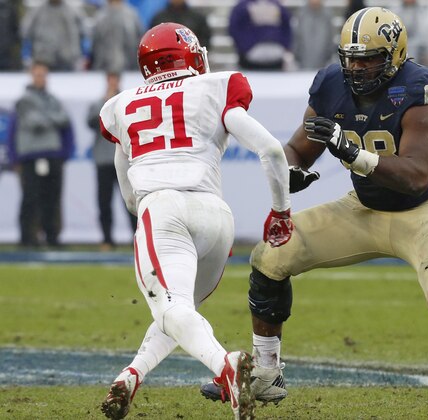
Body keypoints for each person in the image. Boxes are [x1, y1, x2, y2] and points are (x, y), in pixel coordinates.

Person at [201, 7, 428, 420]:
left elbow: (418, 175)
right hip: (364, 208)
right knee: (270, 256)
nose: (357, 67)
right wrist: (291, 170)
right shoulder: (332, 84)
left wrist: (352, 152)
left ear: (395, 56)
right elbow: (299, 147)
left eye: (368, 58)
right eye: (351, 58)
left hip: (420, 211)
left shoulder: (420, 88)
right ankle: (266, 374)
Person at [98, 22, 293, 420]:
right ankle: (130, 376)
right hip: (215, 216)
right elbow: (272, 150)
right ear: (187, 54)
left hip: (163, 208)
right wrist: (280, 211)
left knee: (172, 310)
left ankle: (226, 366)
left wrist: (154, 212)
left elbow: (130, 195)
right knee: (179, 314)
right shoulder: (215, 87)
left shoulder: (120, 105)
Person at [8, 61, 74, 247]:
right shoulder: (24, 100)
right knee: (31, 198)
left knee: (52, 198)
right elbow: (34, 122)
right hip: (30, 156)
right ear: (31, 76)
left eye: (43, 75)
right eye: (37, 75)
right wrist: (53, 117)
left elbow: (65, 120)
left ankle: (52, 237)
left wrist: (48, 117)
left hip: (53, 155)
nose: (40, 78)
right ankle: (27, 238)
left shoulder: (52, 99)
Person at [86, 72, 137, 250]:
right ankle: (107, 238)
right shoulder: (98, 103)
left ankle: (136, 237)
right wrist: (106, 102)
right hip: (104, 159)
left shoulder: (126, 101)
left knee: (130, 200)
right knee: (104, 202)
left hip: (124, 158)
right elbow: (92, 123)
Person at [21, 0, 87, 71]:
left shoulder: (74, 11)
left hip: (68, 62)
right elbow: (26, 35)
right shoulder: (36, 11)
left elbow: (84, 35)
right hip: (43, 62)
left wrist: (84, 56)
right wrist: (26, 56)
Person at [228, 0, 293, 70]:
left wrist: (283, 47)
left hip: (276, 58)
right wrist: (245, 48)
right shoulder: (242, 7)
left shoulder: (278, 6)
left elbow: (287, 27)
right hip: (249, 59)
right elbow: (234, 28)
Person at [89, 0, 144, 73]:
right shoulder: (100, 17)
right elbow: (95, 45)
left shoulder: (132, 16)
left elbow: (139, 41)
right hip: (103, 69)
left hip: (129, 67)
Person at [292, 0, 335, 70]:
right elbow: (297, 37)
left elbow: (329, 38)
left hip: (322, 63)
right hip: (303, 63)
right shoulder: (301, 14)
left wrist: (328, 56)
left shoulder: (327, 16)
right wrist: (297, 56)